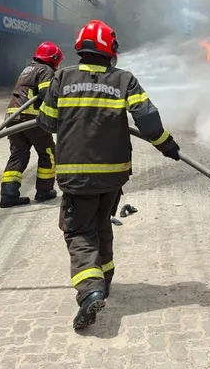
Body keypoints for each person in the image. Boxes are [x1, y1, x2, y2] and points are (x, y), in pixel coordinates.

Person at [37, 19, 180, 330]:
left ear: (80, 48)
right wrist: (167, 146)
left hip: (76, 176)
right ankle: (105, 281)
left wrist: (72, 115)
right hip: (113, 176)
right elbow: (149, 121)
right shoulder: (124, 79)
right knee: (101, 225)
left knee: (78, 232)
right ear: (110, 51)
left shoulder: (62, 77)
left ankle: (90, 291)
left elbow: (46, 123)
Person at [0, 42, 64, 208]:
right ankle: (45, 191)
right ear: (54, 58)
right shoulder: (46, 70)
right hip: (31, 118)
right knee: (48, 152)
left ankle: (8, 194)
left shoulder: (28, 69)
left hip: (13, 117)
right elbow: (46, 94)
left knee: (18, 154)